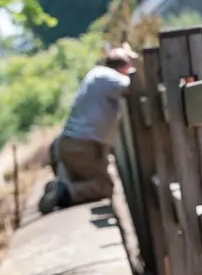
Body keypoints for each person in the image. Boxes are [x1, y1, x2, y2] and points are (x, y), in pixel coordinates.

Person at [39, 45, 138, 215]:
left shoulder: (96, 74)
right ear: (124, 67)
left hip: (71, 144)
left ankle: (61, 186)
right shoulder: (108, 76)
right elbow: (133, 85)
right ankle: (65, 192)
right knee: (105, 187)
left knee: (87, 181)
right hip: (84, 146)